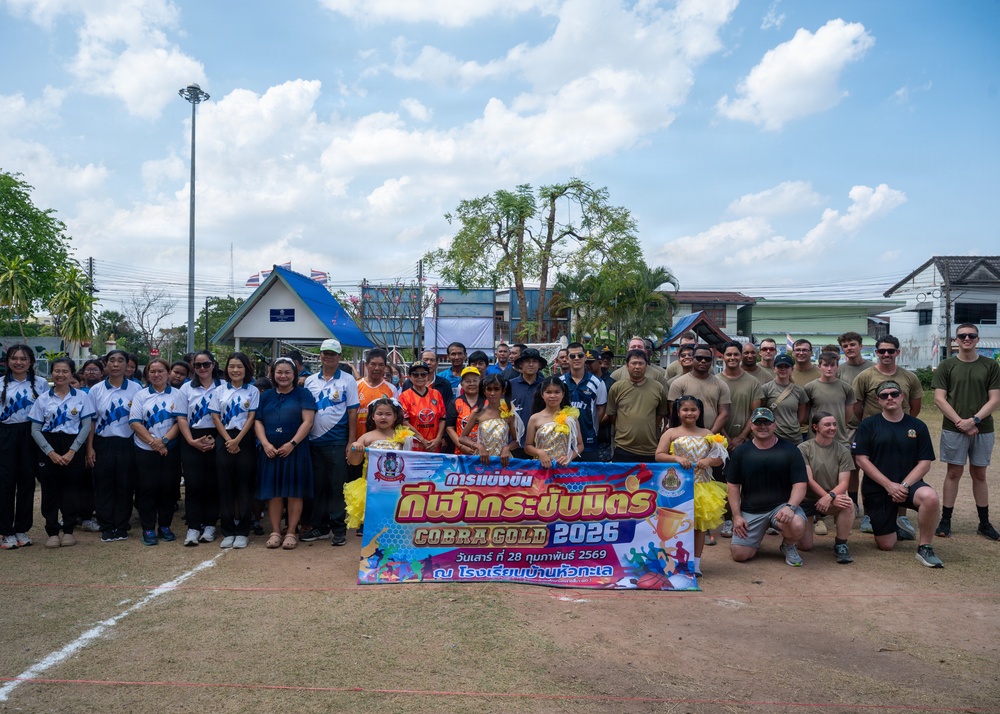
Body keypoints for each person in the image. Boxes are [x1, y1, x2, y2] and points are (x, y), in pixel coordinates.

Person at [852, 381, 943, 568]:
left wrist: (903, 486)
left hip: (908, 486)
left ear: (902, 397)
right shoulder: (868, 425)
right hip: (878, 488)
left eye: (894, 394)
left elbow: (925, 463)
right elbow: (861, 460)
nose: (890, 398)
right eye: (884, 395)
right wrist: (889, 485)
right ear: (878, 400)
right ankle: (895, 526)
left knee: (930, 497)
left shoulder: (918, 426)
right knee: (886, 545)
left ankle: (925, 547)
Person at [932, 324, 1000, 540]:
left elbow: (995, 399)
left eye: (971, 335)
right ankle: (945, 521)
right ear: (956, 340)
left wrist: (974, 420)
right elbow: (939, 398)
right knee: (953, 473)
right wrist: (960, 422)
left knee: (979, 474)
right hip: (954, 428)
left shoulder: (990, 365)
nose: (967, 338)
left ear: (978, 339)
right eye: (962, 335)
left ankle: (984, 523)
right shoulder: (947, 365)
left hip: (983, 428)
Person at [853, 335, 923, 537]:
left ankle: (901, 516)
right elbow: (857, 406)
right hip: (873, 434)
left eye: (890, 351)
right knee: (871, 473)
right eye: (882, 351)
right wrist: (870, 426)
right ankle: (869, 514)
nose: (886, 354)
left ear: (897, 352)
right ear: (876, 353)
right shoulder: (865, 376)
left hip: (903, 433)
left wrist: (903, 425)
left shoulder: (909, 377)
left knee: (903, 470)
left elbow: (915, 406)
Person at [727, 407, 809, 567]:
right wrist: (736, 516)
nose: (762, 426)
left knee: (796, 524)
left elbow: (800, 484)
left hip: (781, 507)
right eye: (758, 422)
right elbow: (733, 486)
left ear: (774, 425)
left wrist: (790, 507)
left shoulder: (791, 451)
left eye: (767, 422)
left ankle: (788, 545)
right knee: (740, 555)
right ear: (751, 425)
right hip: (751, 510)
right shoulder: (741, 452)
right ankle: (754, 538)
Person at [656, 396, 727, 576]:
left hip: (702, 486)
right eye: (685, 409)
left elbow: (720, 458)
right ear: (678, 412)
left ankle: (695, 564)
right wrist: (676, 458)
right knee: (675, 526)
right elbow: (659, 455)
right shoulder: (671, 432)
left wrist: (709, 460)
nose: (689, 413)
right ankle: (672, 562)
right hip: (676, 487)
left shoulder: (708, 433)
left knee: (698, 526)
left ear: (699, 412)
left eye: (693, 409)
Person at [29, 357, 94, 549]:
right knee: (50, 490)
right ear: (52, 373)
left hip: (73, 444)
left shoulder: (82, 397)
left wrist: (73, 450)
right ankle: (52, 531)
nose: (60, 375)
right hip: (48, 445)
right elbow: (35, 429)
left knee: (71, 490)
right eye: (57, 371)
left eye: (65, 371)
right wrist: (50, 452)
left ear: (72, 374)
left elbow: (86, 426)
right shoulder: (43, 398)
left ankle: (68, 530)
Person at [255, 357, 317, 550]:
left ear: (294, 374)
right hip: (271, 450)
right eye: (279, 372)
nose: (283, 376)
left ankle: (291, 531)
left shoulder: (303, 394)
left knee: (294, 492)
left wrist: (292, 443)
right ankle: (275, 531)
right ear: (273, 374)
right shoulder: (266, 395)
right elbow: (258, 421)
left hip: (295, 449)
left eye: (287, 372)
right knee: (273, 493)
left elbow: (308, 421)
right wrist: (265, 444)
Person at [302, 338, 358, 547]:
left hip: (337, 441)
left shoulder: (348, 380)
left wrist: (351, 442)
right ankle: (320, 527)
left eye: (333, 354)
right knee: (318, 486)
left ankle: (338, 528)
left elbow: (352, 412)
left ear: (339, 357)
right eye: (325, 353)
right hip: (313, 441)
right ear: (320, 355)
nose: (328, 357)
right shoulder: (310, 381)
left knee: (336, 486)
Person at [86, 350, 142, 543]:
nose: (116, 365)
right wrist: (90, 447)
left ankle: (122, 525)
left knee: (125, 485)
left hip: (128, 443)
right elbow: (91, 421)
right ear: (106, 364)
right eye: (112, 361)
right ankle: (107, 526)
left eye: (120, 361)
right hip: (103, 443)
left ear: (127, 365)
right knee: (103, 485)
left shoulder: (136, 388)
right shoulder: (96, 390)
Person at [129, 358, 183, 546]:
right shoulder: (140, 395)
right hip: (145, 449)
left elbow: (180, 421)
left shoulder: (178, 394)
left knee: (168, 488)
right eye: (152, 371)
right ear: (147, 374)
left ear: (168, 373)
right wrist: (154, 443)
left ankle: (165, 526)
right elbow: (135, 422)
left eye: (161, 371)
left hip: (170, 449)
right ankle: (148, 528)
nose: (156, 375)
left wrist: (164, 441)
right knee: (147, 489)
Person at [0, 344, 50, 550]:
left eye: (23, 359)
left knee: (27, 483)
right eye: (14, 358)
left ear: (31, 362)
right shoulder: (0, 383)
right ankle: (6, 531)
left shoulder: (41, 384)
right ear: (7, 361)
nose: (18, 362)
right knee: (5, 483)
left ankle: (22, 529)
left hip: (32, 434)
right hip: (5, 434)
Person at [210, 352, 259, 549]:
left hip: (245, 440)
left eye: (239, 366)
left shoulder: (253, 390)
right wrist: (229, 440)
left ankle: (243, 531)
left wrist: (237, 440)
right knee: (225, 487)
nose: (235, 370)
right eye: (231, 366)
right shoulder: (219, 390)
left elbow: (252, 417)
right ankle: (228, 530)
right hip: (224, 439)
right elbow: (215, 417)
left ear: (246, 369)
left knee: (245, 487)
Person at [345, 397, 417, 530]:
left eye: (388, 414)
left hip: (395, 488)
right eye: (379, 414)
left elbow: (409, 463)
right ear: (373, 416)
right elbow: (354, 462)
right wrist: (355, 446)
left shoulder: (403, 437)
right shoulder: (366, 437)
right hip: (373, 488)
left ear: (395, 417)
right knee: (373, 525)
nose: (383, 417)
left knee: (393, 524)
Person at [176, 350, 223, 546]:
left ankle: (210, 525)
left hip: (218, 437)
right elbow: (181, 417)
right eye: (198, 365)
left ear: (213, 364)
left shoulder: (223, 386)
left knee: (213, 484)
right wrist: (191, 441)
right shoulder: (186, 388)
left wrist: (218, 440)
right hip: (192, 438)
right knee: (193, 485)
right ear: (193, 367)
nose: (202, 368)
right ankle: (193, 527)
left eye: (206, 364)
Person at [797, 413, 856, 564]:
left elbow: (844, 483)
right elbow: (808, 479)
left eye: (834, 424)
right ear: (815, 427)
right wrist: (825, 496)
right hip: (806, 500)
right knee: (805, 546)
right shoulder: (803, 448)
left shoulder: (843, 451)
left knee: (848, 504)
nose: (832, 428)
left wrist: (830, 497)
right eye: (827, 424)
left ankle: (841, 544)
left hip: (831, 498)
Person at [604, 349, 669, 462]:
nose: (637, 367)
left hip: (649, 448)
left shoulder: (658, 387)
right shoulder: (617, 388)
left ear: (646, 366)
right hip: (623, 447)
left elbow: (661, 413)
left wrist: (649, 426)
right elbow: (611, 414)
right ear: (627, 366)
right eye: (634, 363)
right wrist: (623, 427)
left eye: (641, 363)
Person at [668, 345, 731, 435]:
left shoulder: (721, 385)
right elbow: (674, 412)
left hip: (712, 435)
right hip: (685, 437)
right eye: (699, 358)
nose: (703, 361)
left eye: (707, 359)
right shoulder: (678, 383)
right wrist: (689, 435)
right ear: (692, 359)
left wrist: (709, 436)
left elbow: (724, 413)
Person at [560, 342, 607, 461]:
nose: (576, 358)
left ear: (585, 357)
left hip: (589, 440)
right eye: (572, 356)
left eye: (580, 355)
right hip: (564, 439)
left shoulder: (598, 383)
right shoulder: (560, 382)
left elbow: (601, 408)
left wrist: (592, 427)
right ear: (567, 359)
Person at [524, 377, 582, 468]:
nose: (552, 396)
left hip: (563, 468)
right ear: (542, 394)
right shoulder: (535, 418)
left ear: (563, 394)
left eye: (557, 392)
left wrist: (569, 457)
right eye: (548, 392)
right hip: (540, 468)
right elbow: (528, 446)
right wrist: (540, 452)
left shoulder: (570, 417)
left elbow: (580, 445)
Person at [462, 374, 518, 466]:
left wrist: (507, 448)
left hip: (503, 461)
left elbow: (516, 441)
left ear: (503, 390)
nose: (492, 393)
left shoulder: (509, 413)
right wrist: (479, 446)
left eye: (496, 389)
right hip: (482, 460)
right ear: (484, 391)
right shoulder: (478, 412)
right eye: (489, 389)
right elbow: (462, 437)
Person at [398, 361, 446, 453]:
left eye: (423, 374)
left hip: (434, 445)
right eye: (415, 374)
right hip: (414, 446)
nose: (419, 377)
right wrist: (422, 440)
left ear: (427, 376)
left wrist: (438, 439)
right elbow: (404, 422)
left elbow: (442, 419)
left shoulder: (436, 394)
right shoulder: (404, 396)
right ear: (410, 377)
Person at [760, 354, 809, 445]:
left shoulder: (799, 391)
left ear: (792, 369)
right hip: (773, 437)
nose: (783, 369)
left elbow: (801, 416)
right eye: (780, 366)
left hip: (794, 438)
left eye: (786, 366)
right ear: (774, 369)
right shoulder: (766, 389)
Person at [356, 348, 400, 439]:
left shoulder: (391, 389)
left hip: (384, 442)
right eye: (373, 364)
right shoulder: (356, 386)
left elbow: (396, 416)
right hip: (359, 439)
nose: (377, 368)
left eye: (381, 365)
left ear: (385, 366)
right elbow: (350, 414)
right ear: (366, 365)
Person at [509, 347, 546, 455]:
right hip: (514, 442)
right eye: (527, 361)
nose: (531, 364)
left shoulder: (546, 385)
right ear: (521, 364)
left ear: (539, 365)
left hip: (540, 442)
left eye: (534, 361)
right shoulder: (510, 385)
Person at [446, 366, 485, 455]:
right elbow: (449, 428)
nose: (472, 384)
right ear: (462, 384)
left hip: (484, 452)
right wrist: (461, 446)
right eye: (468, 381)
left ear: (480, 382)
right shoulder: (456, 403)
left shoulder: (487, 402)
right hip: (461, 452)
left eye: (475, 380)